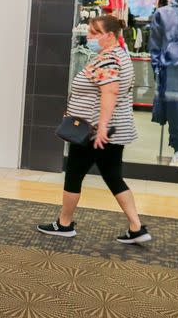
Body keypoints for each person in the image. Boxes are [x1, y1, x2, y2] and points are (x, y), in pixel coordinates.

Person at [38, 15, 151, 244]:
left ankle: (64, 224)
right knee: (112, 175)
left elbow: (110, 92)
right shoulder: (121, 54)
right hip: (110, 131)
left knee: (74, 174)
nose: (89, 36)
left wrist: (101, 128)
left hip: (93, 133)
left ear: (109, 36)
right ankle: (136, 227)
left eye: (94, 33)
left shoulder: (108, 59)